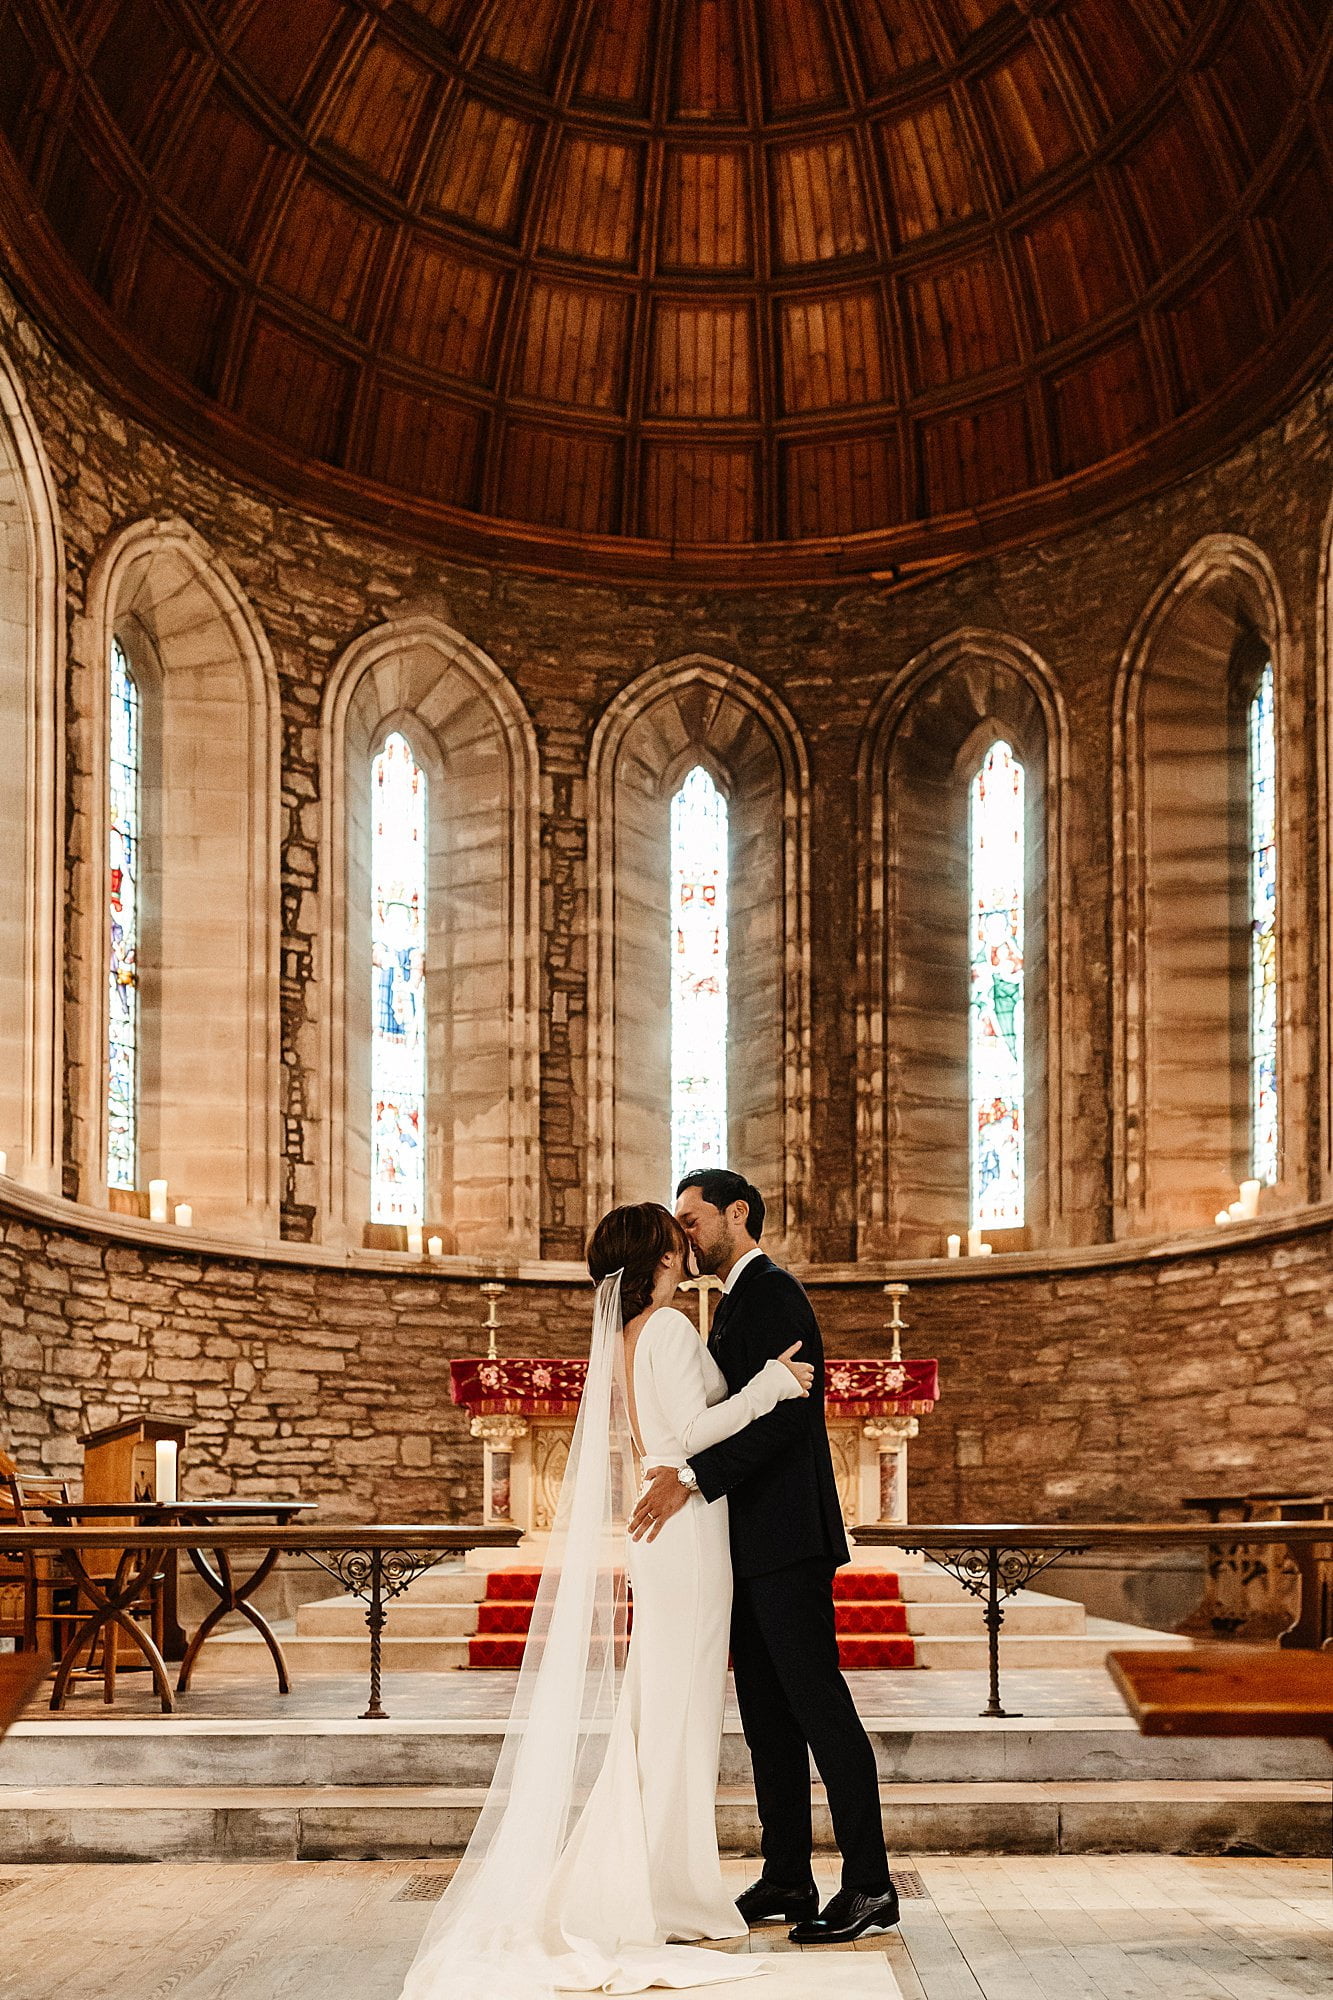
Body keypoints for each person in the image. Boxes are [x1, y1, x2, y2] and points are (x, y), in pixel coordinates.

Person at [398, 1200, 814, 1999]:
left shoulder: (629, 1335)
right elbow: (690, 1433)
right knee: (678, 1713)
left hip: (671, 1535)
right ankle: (666, 1889)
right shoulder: (664, 1329)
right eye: (676, 1229)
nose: (686, 1239)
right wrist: (770, 1385)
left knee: (662, 1711)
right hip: (688, 1536)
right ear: (658, 1251)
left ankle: (659, 1877)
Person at [628, 1168, 899, 1947]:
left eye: (691, 1219)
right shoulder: (727, 1302)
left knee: (820, 1710)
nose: (681, 1235)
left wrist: (691, 1478)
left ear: (735, 1214)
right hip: (743, 1542)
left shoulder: (773, 1292)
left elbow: (788, 1416)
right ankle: (786, 1874)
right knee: (766, 1723)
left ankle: (871, 1885)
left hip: (785, 1539)